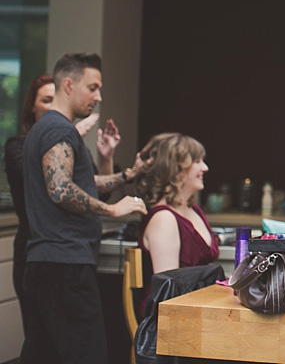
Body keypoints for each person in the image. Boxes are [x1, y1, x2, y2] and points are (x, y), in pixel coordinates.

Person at [20, 52, 148, 364]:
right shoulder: (60, 130)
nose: (98, 96)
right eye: (92, 88)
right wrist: (112, 211)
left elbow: (81, 181)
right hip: (65, 266)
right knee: (87, 355)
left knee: (43, 356)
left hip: (46, 263)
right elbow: (61, 189)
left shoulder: (48, 129)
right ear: (67, 85)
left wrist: (127, 175)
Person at [3, 74, 124, 350]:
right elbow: (54, 185)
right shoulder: (22, 145)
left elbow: (94, 190)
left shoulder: (67, 141)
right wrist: (113, 211)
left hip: (65, 258)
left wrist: (108, 160)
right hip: (43, 255)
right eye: (46, 100)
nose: (51, 107)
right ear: (32, 108)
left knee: (44, 350)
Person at [136, 132, 219, 275]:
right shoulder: (164, 218)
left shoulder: (194, 210)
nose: (205, 168)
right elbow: (168, 285)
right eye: (197, 161)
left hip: (204, 296)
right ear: (177, 169)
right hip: (178, 297)